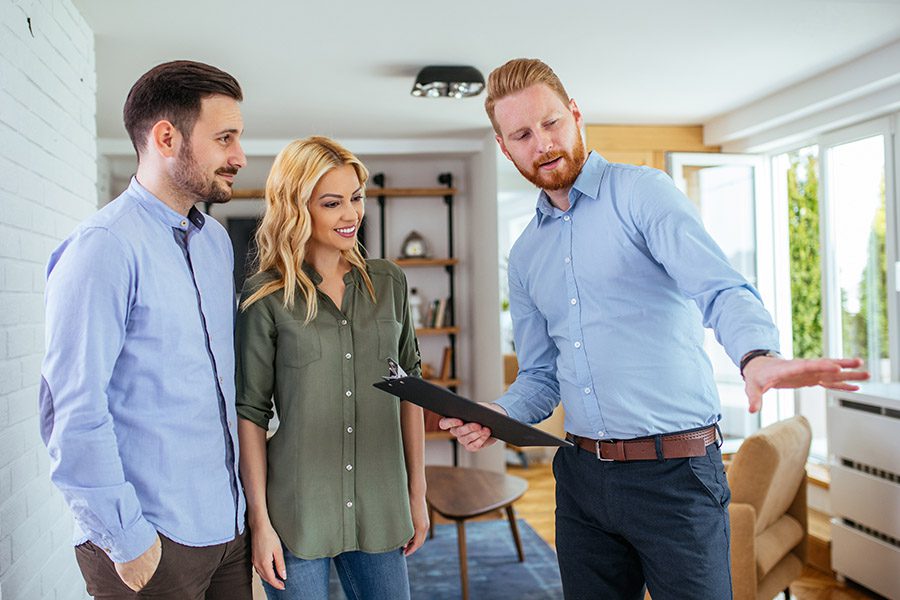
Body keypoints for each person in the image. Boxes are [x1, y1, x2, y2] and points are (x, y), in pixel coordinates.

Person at [440, 58, 869, 600]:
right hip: (580, 480)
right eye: (523, 134)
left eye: (551, 123)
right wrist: (500, 414)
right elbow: (541, 376)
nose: (543, 143)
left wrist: (757, 355)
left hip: (677, 478)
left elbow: (720, 289)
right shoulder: (525, 255)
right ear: (506, 148)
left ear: (574, 115)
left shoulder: (644, 194)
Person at [40, 60, 251, 599]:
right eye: (225, 138)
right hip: (152, 538)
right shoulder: (104, 247)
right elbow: (72, 410)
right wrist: (127, 538)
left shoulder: (214, 243)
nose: (239, 158)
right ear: (165, 137)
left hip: (227, 529)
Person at [235, 136, 428, 600]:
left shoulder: (389, 281)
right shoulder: (265, 297)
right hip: (296, 512)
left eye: (356, 198)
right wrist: (259, 522)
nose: (351, 215)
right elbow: (251, 413)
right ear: (297, 207)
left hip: (381, 506)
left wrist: (416, 494)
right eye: (332, 202)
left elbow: (411, 390)